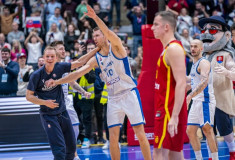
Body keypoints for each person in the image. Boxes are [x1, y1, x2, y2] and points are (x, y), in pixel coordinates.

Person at [46, 5, 151, 160]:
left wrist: (95, 17)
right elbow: (78, 72)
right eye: (93, 36)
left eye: (97, 35)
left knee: (140, 133)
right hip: (114, 99)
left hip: (129, 93)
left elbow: (109, 32)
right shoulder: (96, 59)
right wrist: (58, 81)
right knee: (113, 138)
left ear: (104, 36)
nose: (94, 38)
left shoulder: (117, 47)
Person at [26, 45, 99, 160]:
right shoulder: (36, 75)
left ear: (56, 58)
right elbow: (28, 96)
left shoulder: (60, 67)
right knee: (59, 149)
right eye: (47, 56)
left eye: (52, 56)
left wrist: (95, 50)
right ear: (43, 58)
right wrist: (44, 102)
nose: (50, 59)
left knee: (71, 147)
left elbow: (80, 62)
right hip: (48, 115)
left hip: (63, 112)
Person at [151, 11, 187, 160]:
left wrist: (174, 116)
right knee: (174, 153)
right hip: (166, 109)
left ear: (166, 27)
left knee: (160, 152)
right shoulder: (168, 49)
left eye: (156, 24)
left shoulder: (173, 49)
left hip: (169, 110)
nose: (152, 28)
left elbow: (181, 83)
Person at [199, 15, 235, 159]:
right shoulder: (202, 57)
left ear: (226, 35)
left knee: (224, 129)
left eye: (213, 30)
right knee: (207, 130)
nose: (207, 33)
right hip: (205, 99)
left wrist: (227, 72)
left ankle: (233, 151)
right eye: (204, 30)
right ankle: (211, 155)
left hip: (221, 97)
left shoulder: (227, 55)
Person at [50, 41, 91, 160]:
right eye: (61, 49)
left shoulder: (64, 66)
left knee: (75, 127)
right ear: (54, 51)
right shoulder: (50, 67)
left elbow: (72, 82)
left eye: (64, 49)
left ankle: (73, 153)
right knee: (58, 134)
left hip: (66, 102)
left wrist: (83, 91)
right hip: (56, 104)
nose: (64, 51)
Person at [186, 39, 218, 160]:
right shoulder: (194, 63)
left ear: (201, 49)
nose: (193, 48)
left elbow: (204, 82)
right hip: (196, 101)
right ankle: (199, 158)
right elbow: (192, 79)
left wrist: (190, 95)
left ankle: (215, 158)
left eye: (195, 46)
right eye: (191, 46)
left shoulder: (204, 62)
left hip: (205, 100)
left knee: (207, 130)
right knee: (190, 131)